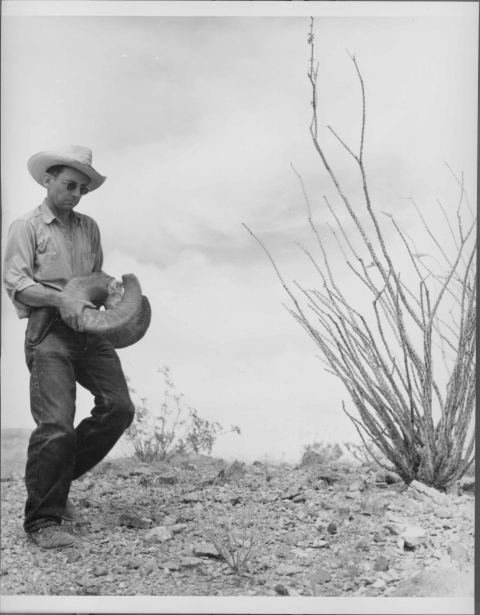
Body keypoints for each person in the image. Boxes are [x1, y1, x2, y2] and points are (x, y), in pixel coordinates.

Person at [3, 145, 135, 551]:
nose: (75, 194)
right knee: (56, 424)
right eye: (68, 185)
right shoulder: (26, 226)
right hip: (49, 331)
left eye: (81, 188)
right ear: (48, 181)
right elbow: (16, 282)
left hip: (89, 329)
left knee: (119, 407)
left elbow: (92, 277)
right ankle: (43, 521)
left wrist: (116, 296)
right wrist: (61, 299)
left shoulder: (89, 227)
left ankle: (53, 484)